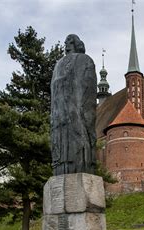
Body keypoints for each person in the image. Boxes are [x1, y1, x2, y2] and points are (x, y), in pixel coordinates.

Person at [50, 34, 97, 175]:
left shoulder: (85, 60)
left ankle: (81, 165)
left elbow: (89, 87)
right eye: (65, 42)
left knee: (78, 139)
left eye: (70, 42)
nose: (66, 45)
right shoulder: (58, 65)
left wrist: (84, 111)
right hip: (60, 112)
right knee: (61, 141)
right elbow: (53, 89)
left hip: (75, 109)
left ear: (76, 44)